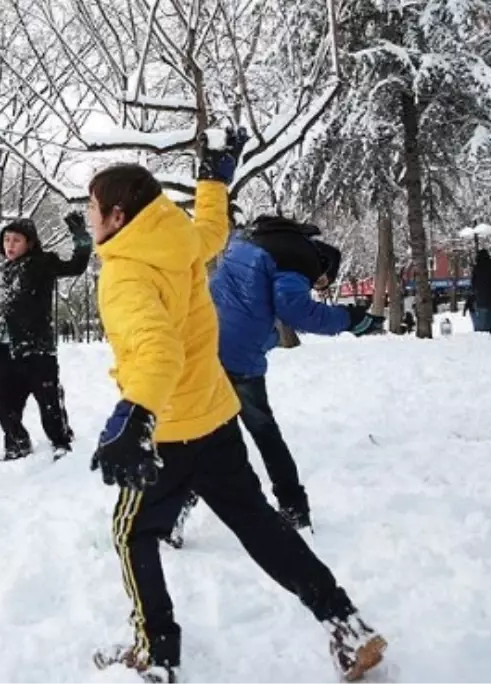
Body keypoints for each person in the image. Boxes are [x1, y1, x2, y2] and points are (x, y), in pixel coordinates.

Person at [86, 127, 386, 683]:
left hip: (169, 428)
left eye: (93, 209)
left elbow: (156, 350)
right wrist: (213, 178)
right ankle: (347, 624)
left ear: (119, 215)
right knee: (260, 525)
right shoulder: (176, 239)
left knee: (132, 536)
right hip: (217, 417)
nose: (89, 219)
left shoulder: (125, 272)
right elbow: (211, 231)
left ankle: (155, 652)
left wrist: (134, 417)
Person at [168, 216, 381, 537]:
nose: (318, 286)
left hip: (202, 342)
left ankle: (174, 509)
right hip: (238, 355)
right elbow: (296, 311)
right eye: (322, 282)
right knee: (264, 432)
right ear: (322, 266)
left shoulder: (251, 239)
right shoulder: (300, 258)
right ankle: (295, 508)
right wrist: (349, 319)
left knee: (205, 433)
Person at [0, 213, 92, 461]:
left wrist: (80, 237)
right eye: (6, 240)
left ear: (29, 243)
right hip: (7, 346)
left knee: (47, 398)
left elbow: (76, 266)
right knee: (2, 397)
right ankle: (17, 443)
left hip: (37, 345)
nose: (10, 245)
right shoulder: (1, 267)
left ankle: (60, 440)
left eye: (16, 240)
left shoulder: (42, 263)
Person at [470, 249, 491, 336]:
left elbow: (473, 283)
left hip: (483, 299)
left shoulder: (477, 269)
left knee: (486, 321)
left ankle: (489, 337)